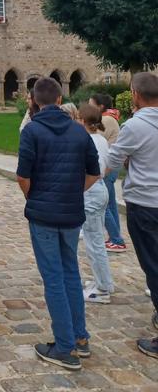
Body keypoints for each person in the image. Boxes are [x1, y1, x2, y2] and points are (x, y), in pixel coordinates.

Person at [16, 76, 101, 371]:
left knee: (54, 277)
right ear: (59, 99)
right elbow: (94, 172)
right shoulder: (80, 133)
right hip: (70, 212)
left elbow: (23, 177)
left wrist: (36, 196)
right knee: (70, 274)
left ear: (35, 100)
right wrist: (73, 191)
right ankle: (79, 337)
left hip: (44, 213)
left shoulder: (32, 131)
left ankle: (64, 347)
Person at [106, 72, 158, 359]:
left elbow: (114, 160)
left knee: (153, 266)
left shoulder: (134, 126)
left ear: (136, 95)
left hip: (145, 203)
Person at [77, 103, 113, 304]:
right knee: (96, 239)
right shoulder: (100, 139)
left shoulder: (89, 141)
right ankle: (104, 282)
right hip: (99, 190)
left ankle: (102, 289)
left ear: (83, 121)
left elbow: (93, 169)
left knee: (94, 243)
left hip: (91, 192)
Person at [90, 92, 126, 253]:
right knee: (110, 204)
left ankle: (117, 239)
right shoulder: (110, 118)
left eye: (91, 104)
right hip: (110, 165)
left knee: (103, 205)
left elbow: (93, 138)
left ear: (100, 106)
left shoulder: (106, 120)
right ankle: (115, 237)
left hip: (107, 167)